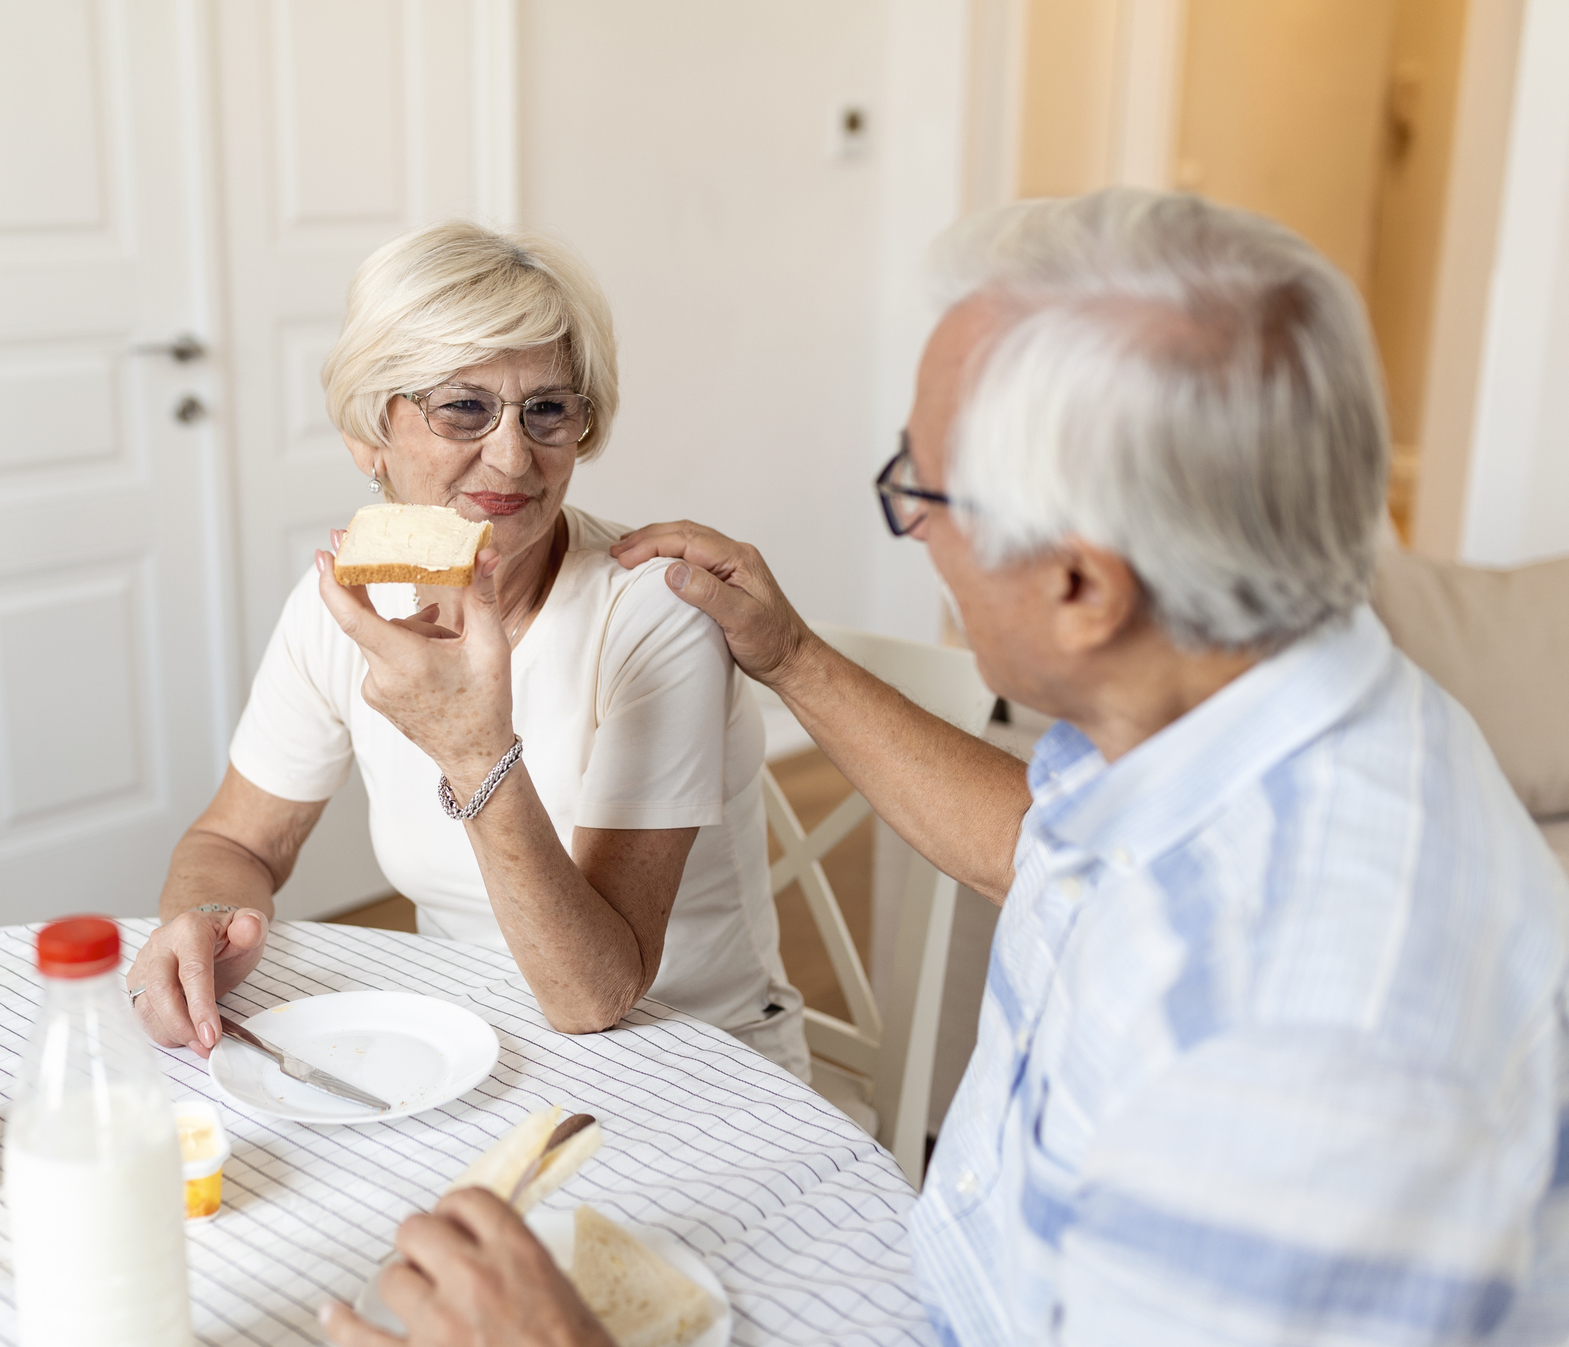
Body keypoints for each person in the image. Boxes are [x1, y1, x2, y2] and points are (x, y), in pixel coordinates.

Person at [320, 190, 1569, 1345]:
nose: (908, 525)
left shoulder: (1294, 1053)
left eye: (919, 488)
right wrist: (794, 656)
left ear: (1081, 586)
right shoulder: (1253, 691)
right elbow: (1048, 854)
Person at [125, 220, 808, 1078]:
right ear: (370, 436)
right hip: (470, 1045)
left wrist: (470, 743)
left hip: (690, 1062)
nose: (514, 455)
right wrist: (204, 917)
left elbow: (596, 995)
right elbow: (238, 842)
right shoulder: (348, 604)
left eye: (549, 409)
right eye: (462, 406)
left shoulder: (653, 611)